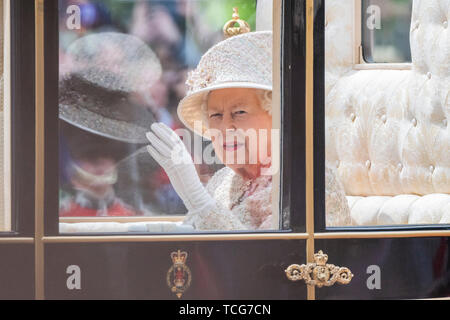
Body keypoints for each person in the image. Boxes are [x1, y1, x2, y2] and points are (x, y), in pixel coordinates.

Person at [146, 11, 351, 231]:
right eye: (216, 115)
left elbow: (264, 258)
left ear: (276, 117)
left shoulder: (303, 182)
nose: (225, 128)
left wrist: (198, 199)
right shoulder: (222, 181)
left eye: (239, 113)